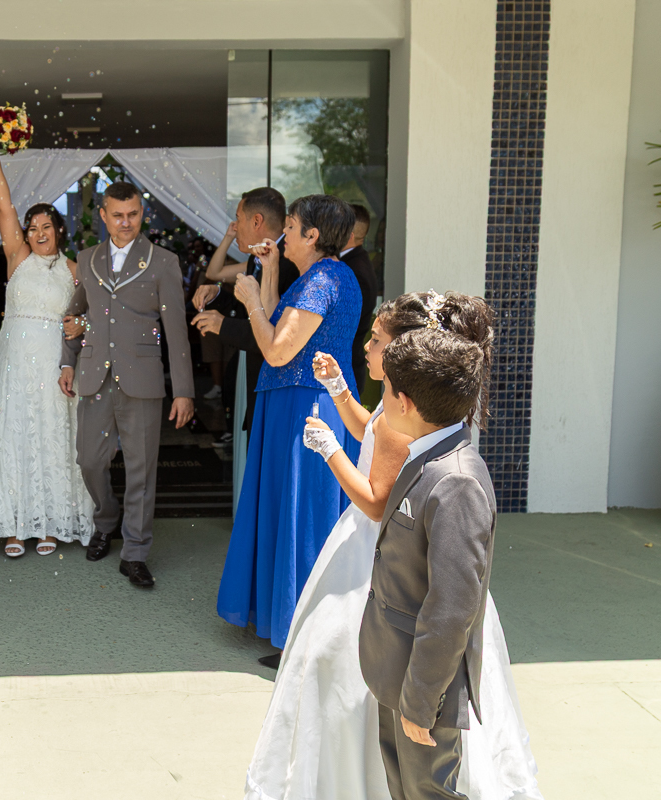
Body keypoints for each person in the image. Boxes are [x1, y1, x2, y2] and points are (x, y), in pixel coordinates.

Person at [244, 292, 542, 800]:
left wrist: (331, 451)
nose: (367, 346)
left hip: (399, 583)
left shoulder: (451, 476)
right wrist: (341, 394)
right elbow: (376, 431)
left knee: (415, 759)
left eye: (377, 340)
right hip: (390, 584)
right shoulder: (409, 406)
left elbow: (383, 509)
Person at [359, 322, 505, 800]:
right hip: (394, 666)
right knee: (403, 789)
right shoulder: (427, 456)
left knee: (427, 791)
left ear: (405, 403)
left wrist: (420, 702)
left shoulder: (455, 481)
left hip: (424, 687)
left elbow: (452, 609)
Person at [215, 194, 361, 665]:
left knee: (304, 515)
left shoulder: (323, 280)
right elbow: (282, 323)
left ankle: (306, 633)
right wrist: (270, 272)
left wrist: (252, 300)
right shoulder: (321, 278)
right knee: (289, 510)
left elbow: (276, 350)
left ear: (313, 236)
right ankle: (288, 617)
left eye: (292, 227)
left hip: (307, 408)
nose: (284, 233)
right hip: (294, 405)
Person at [59, 181, 194, 588]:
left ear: (142, 213)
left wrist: (184, 389)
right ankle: (106, 518)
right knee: (89, 460)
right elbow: (74, 315)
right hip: (93, 375)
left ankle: (135, 551)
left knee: (141, 469)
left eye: (132, 214)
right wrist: (67, 361)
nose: (125, 222)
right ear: (103, 215)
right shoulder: (86, 259)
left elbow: (176, 332)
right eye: (117, 215)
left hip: (143, 379)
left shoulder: (163, 262)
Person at [0, 123, 94, 557]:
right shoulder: (17, 258)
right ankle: (11, 525)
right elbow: (2, 201)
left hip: (54, 363)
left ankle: (48, 523)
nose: (39, 232)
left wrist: (83, 330)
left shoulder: (76, 269)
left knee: (51, 436)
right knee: (13, 433)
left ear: (59, 230)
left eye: (47, 226)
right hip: (14, 359)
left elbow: (94, 319)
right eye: (32, 226)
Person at [190, 188, 298, 434]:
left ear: (257, 221)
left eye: (239, 218)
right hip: (252, 374)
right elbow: (246, 310)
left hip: (272, 382)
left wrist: (222, 325)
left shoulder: (289, 264)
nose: (236, 226)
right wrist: (217, 295)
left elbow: (274, 330)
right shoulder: (257, 257)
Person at [339, 203, 379, 390]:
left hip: (344, 372)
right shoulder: (352, 263)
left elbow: (345, 327)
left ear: (349, 235)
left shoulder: (356, 271)